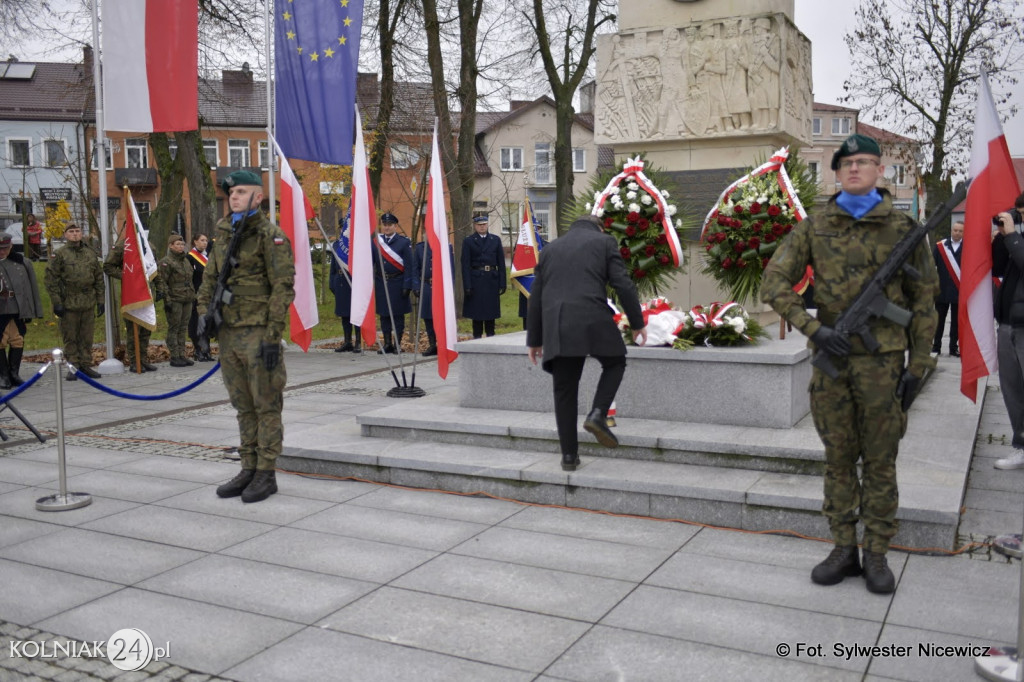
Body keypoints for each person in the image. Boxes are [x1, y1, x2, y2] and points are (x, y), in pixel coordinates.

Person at [762, 133, 938, 595]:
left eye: (863, 162)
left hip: (883, 365)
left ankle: (876, 551)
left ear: (880, 170)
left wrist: (918, 366)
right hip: (833, 363)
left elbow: (924, 301)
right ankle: (843, 547)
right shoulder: (814, 226)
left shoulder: (904, 230)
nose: (854, 169)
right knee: (838, 459)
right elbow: (774, 282)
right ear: (837, 173)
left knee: (880, 460)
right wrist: (814, 329)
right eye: (846, 164)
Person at [197, 170, 295, 503]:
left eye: (240, 191)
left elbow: (282, 288)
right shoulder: (225, 235)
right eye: (231, 193)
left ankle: (266, 472)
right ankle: (248, 466)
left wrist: (272, 336)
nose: (233, 197)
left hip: (258, 332)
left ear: (258, 197)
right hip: (229, 333)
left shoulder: (271, 236)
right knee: (243, 406)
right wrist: (203, 316)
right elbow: (210, 279)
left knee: (266, 405)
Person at [526, 214, 647, 472]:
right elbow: (622, 284)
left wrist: (534, 339)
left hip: (559, 324)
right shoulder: (605, 242)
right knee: (615, 362)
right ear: (599, 228)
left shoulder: (550, 249)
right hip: (593, 316)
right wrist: (637, 322)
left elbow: (536, 295)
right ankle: (598, 413)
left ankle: (569, 457)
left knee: (565, 390)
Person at [44, 224, 104, 381]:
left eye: (77, 231)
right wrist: (57, 302)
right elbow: (51, 280)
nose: (75, 234)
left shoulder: (90, 253)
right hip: (69, 302)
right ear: (65, 235)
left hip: (88, 301)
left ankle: (85, 364)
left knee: (87, 336)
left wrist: (100, 300)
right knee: (70, 336)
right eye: (71, 232)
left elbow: (98, 277)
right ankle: (73, 366)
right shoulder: (60, 254)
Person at [992, 198, 1024, 471]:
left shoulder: (1019, 239)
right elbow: (998, 267)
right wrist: (1002, 238)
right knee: (1012, 390)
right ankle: (1021, 445)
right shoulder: (1017, 239)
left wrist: (1013, 236)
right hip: (1007, 323)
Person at [104, 234, 157, 373]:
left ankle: (143, 360)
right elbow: (108, 266)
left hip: (147, 292)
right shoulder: (123, 245)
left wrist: (160, 288)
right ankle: (134, 361)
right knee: (134, 331)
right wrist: (128, 276)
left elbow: (154, 267)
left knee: (145, 330)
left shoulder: (148, 245)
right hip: (132, 294)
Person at [0, 232, 42, 387]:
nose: (2, 252)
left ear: (11, 246)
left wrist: (32, 310)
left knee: (17, 339)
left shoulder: (22, 262)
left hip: (17, 307)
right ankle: (3, 375)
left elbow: (32, 288)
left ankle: (14, 374)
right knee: (1, 340)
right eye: (0, 249)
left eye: (5, 248)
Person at [372, 212, 417, 354]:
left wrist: (407, 285)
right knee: (384, 315)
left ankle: (397, 343)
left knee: (398, 315)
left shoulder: (403, 242)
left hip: (397, 282)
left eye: (389, 225)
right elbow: (371, 262)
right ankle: (387, 344)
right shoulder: (376, 242)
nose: (386, 227)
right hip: (381, 282)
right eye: (384, 224)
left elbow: (410, 266)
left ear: (395, 226)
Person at [461, 215, 506, 338]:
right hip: (476, 281)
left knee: (491, 314)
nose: (482, 227)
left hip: (491, 280)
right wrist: (467, 285)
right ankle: (477, 338)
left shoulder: (495, 240)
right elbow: (465, 265)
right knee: (477, 315)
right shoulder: (469, 241)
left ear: (487, 225)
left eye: (484, 224)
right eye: (479, 225)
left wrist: (502, 283)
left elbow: (501, 263)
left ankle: (491, 338)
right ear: (475, 226)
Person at [156, 234, 195, 367]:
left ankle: (182, 354)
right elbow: (162, 282)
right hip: (174, 298)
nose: (181, 246)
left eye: (182, 244)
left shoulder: (185, 261)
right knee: (174, 327)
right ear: (171, 246)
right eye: (177, 244)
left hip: (187, 297)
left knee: (183, 327)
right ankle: (174, 355)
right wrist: (167, 300)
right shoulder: (166, 262)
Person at [412, 238, 454, 356]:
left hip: (441, 286)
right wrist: (416, 286)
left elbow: (451, 269)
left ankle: (443, 345)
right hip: (426, 285)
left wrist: (450, 288)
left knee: (441, 316)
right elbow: (415, 269)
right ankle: (432, 344)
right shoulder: (420, 248)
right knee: (428, 316)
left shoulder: (445, 246)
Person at [932, 220, 963, 356]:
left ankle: (953, 347)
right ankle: (936, 346)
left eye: (960, 231)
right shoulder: (941, 246)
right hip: (942, 290)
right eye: (955, 230)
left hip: (958, 290)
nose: (957, 233)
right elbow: (931, 265)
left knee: (956, 322)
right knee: (939, 320)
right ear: (951, 230)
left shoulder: (968, 247)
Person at [329, 218, 360, 354]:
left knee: (356, 313)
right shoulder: (337, 245)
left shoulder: (357, 244)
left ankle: (358, 342)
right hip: (341, 281)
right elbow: (333, 267)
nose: (344, 229)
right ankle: (347, 341)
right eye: (342, 227)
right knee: (344, 314)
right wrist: (332, 283)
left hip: (354, 281)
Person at [187, 233, 213, 361]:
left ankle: (206, 350)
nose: (205, 243)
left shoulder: (208, 257)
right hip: (196, 295)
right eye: (202, 240)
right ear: (195, 242)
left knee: (207, 322)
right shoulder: (190, 257)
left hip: (207, 295)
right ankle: (198, 350)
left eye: (206, 240)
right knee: (196, 323)